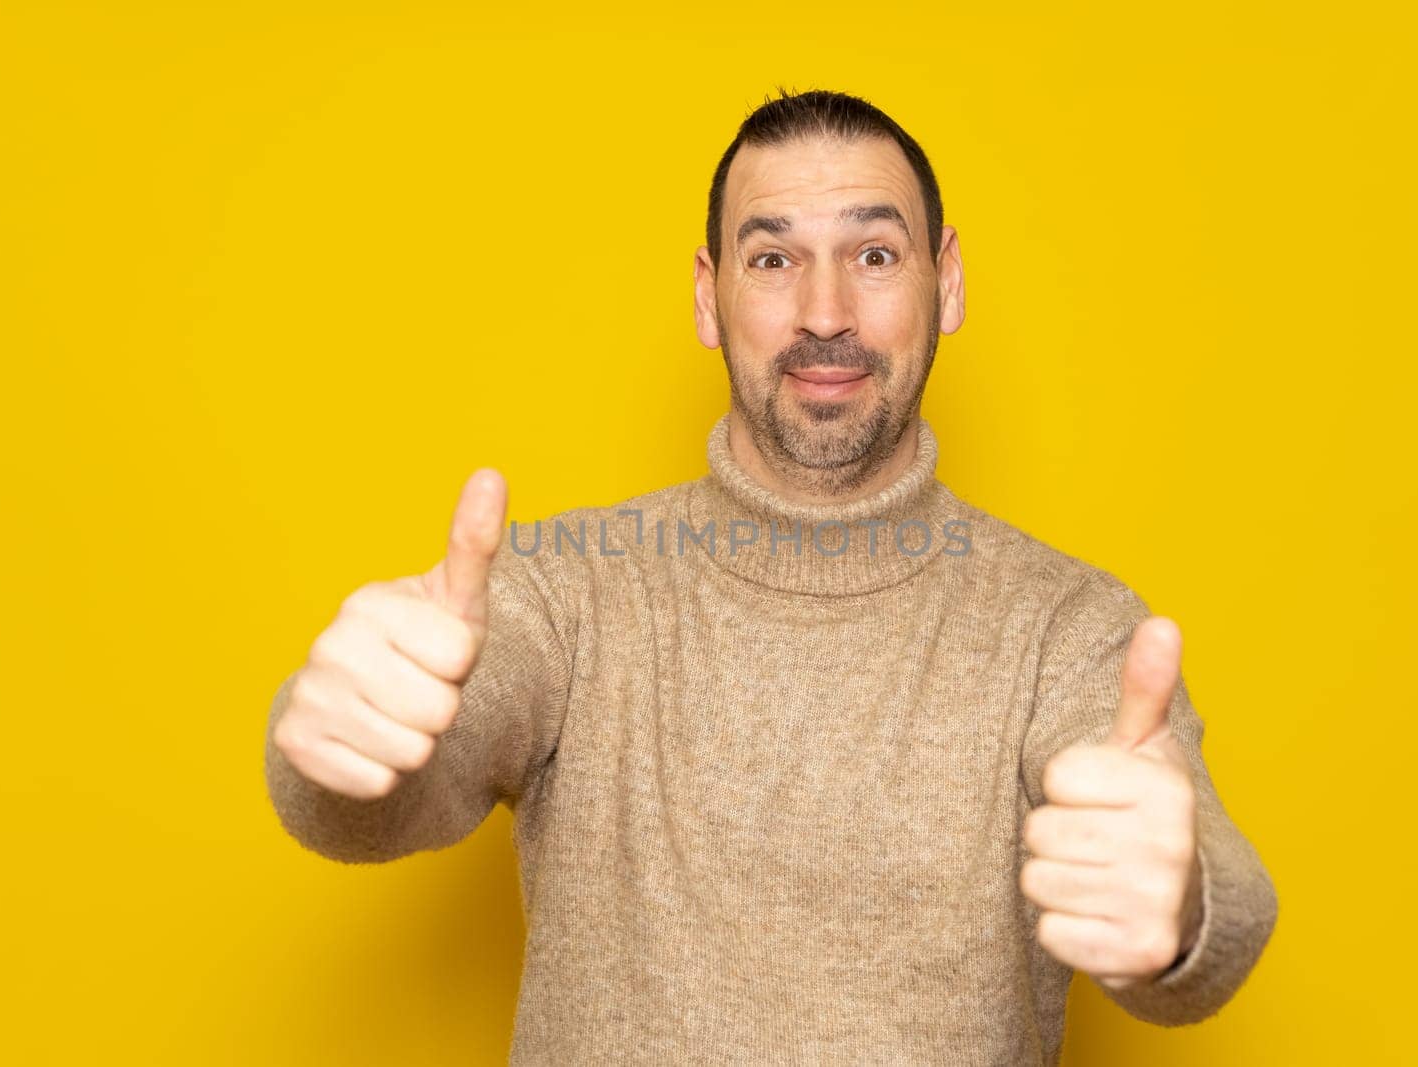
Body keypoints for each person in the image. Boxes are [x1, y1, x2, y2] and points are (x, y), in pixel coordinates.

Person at [263, 88, 1278, 1064]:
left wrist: (1180, 901)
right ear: (709, 295)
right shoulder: (559, 591)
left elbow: (1206, 912)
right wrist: (335, 745)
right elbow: (367, 804)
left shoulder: (1069, 626)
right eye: (773, 257)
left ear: (948, 280)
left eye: (874, 255)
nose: (823, 311)